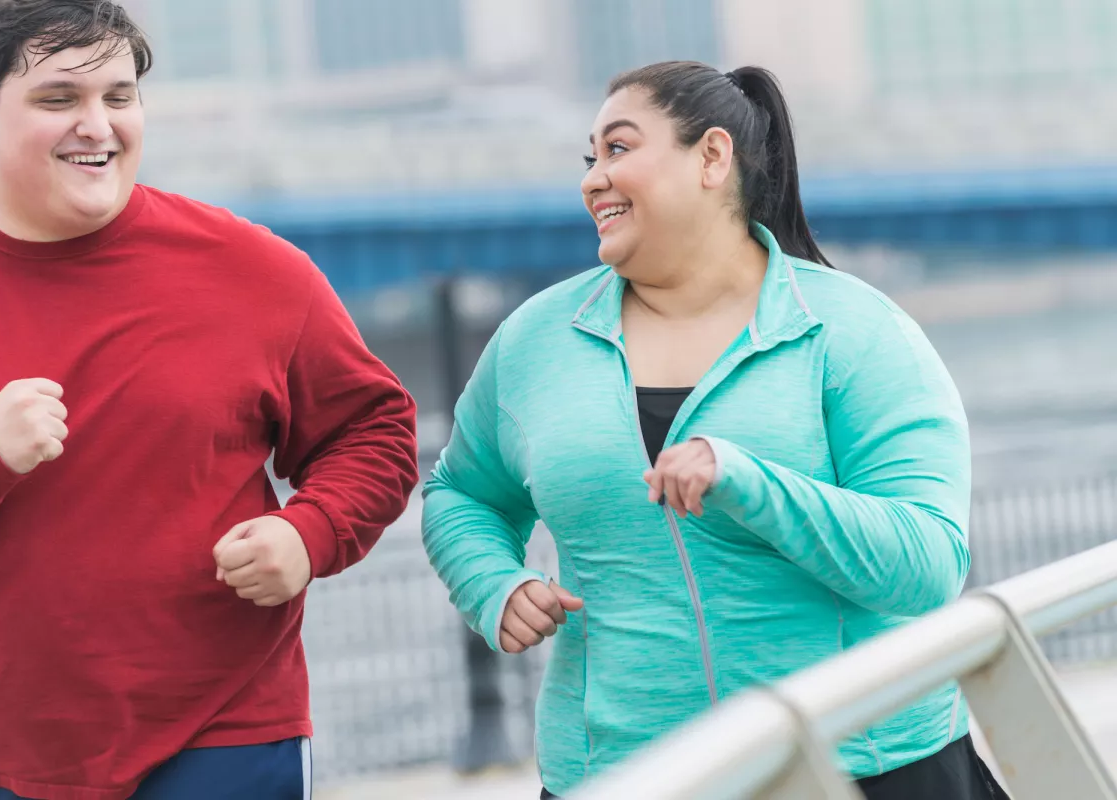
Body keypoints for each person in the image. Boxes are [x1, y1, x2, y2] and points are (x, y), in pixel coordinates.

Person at [421, 61, 1007, 800]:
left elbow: (925, 566)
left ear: (712, 156)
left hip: (864, 765)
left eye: (620, 149)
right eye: (590, 158)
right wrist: (494, 585)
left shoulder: (853, 331)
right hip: (629, 777)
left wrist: (748, 482)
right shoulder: (535, 342)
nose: (594, 179)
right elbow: (459, 495)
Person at [0, 1, 419, 798]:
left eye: (118, 97)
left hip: (221, 733)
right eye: (59, 100)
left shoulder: (256, 270)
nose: (98, 125)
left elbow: (375, 429)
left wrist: (310, 532)